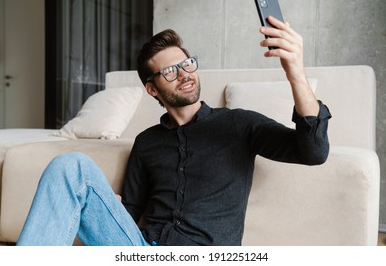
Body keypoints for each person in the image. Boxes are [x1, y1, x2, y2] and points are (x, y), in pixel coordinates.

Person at [17, 16, 331, 246]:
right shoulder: (147, 142)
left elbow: (313, 152)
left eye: (187, 64)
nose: (184, 75)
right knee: (70, 166)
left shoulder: (239, 124)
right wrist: (108, 205)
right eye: (170, 71)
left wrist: (295, 73)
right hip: (140, 250)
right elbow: (130, 210)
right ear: (152, 89)